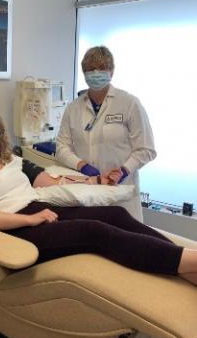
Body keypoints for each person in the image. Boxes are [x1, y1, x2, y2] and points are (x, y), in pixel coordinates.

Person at [0, 105, 197, 286]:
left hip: (40, 208)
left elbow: (51, 180)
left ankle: (185, 265)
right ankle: (189, 261)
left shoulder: (12, 161)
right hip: (15, 229)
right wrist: (29, 220)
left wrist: (96, 179)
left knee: (114, 213)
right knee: (94, 231)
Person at [56, 46, 156, 221]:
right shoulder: (73, 108)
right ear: (84, 73)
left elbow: (146, 149)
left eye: (101, 68)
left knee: (126, 242)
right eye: (90, 69)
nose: (95, 73)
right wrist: (81, 165)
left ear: (112, 72)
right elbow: (61, 148)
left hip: (121, 194)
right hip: (88, 193)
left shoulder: (129, 103)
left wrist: (124, 170)